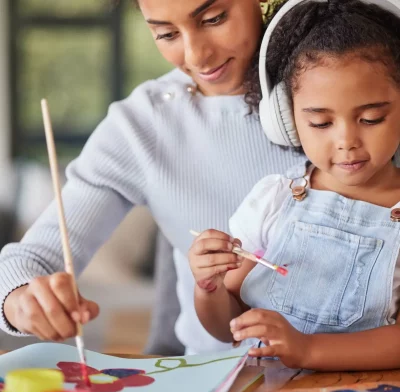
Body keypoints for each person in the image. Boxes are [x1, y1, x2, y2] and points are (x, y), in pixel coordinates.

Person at [0, 0, 304, 356]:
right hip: (221, 378)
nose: (196, 56)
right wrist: (21, 300)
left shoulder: (341, 77)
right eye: (166, 34)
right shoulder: (141, 125)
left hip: (359, 366)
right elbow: (29, 260)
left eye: (213, 18)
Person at [189, 0, 400, 370]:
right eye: (321, 123)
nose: (346, 140)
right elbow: (229, 328)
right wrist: (209, 289)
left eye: (371, 118)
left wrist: (308, 349)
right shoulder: (274, 200)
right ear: (285, 118)